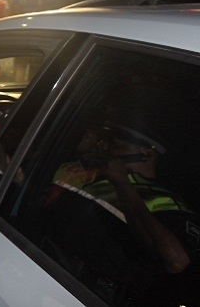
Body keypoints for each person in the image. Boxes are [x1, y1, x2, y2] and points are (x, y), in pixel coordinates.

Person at [42, 116, 200, 304]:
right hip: (51, 268)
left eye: (117, 148)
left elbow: (176, 260)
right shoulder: (91, 176)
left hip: (93, 294)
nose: (109, 153)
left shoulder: (166, 201)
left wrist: (122, 184)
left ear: (148, 154)